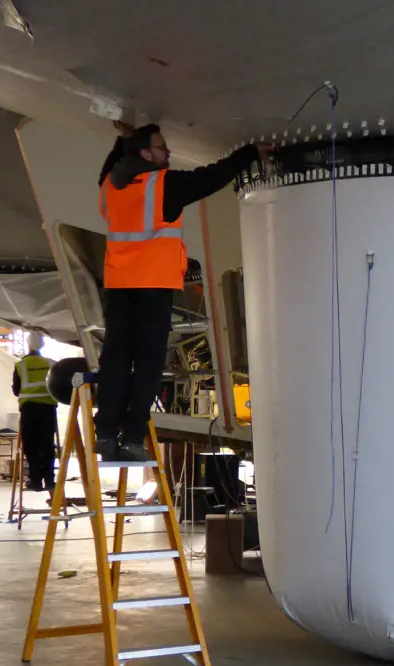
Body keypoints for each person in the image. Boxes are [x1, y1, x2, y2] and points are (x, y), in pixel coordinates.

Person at [95, 122, 272, 462]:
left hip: (118, 287)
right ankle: (132, 438)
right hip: (154, 286)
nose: (168, 153)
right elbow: (212, 177)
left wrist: (123, 140)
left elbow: (111, 165)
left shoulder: (109, 187)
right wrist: (249, 154)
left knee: (115, 360)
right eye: (162, 148)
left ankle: (105, 435)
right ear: (147, 154)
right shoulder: (162, 186)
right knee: (147, 362)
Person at [12, 331, 58, 492]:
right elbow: (57, 387)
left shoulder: (21, 365)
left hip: (29, 409)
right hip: (48, 408)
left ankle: (35, 480)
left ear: (28, 344)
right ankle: (50, 480)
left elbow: (17, 390)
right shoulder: (52, 363)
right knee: (47, 445)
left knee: (30, 445)